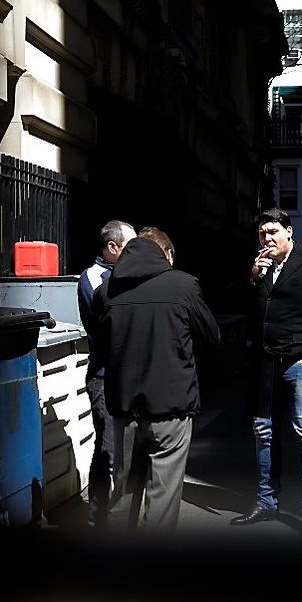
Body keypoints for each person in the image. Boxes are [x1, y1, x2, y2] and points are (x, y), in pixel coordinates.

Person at [94, 228, 220, 533]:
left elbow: (101, 345)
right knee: (162, 499)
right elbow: (212, 338)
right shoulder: (184, 285)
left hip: (124, 408)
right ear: (168, 254)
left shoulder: (106, 291)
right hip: (171, 406)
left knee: (124, 492)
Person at [230, 208, 302, 534]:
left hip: (297, 364)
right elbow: (238, 305)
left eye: (274, 232)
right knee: (263, 433)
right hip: (264, 364)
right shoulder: (260, 268)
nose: (268, 239)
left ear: (289, 232)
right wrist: (252, 278)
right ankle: (266, 502)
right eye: (263, 233)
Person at [78, 220, 136, 528]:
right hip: (104, 376)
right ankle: (101, 522)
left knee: (121, 452)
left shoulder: (124, 274)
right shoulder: (94, 277)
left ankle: (110, 518)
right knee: (109, 451)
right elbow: (108, 322)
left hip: (127, 375)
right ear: (112, 247)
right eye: (129, 246)